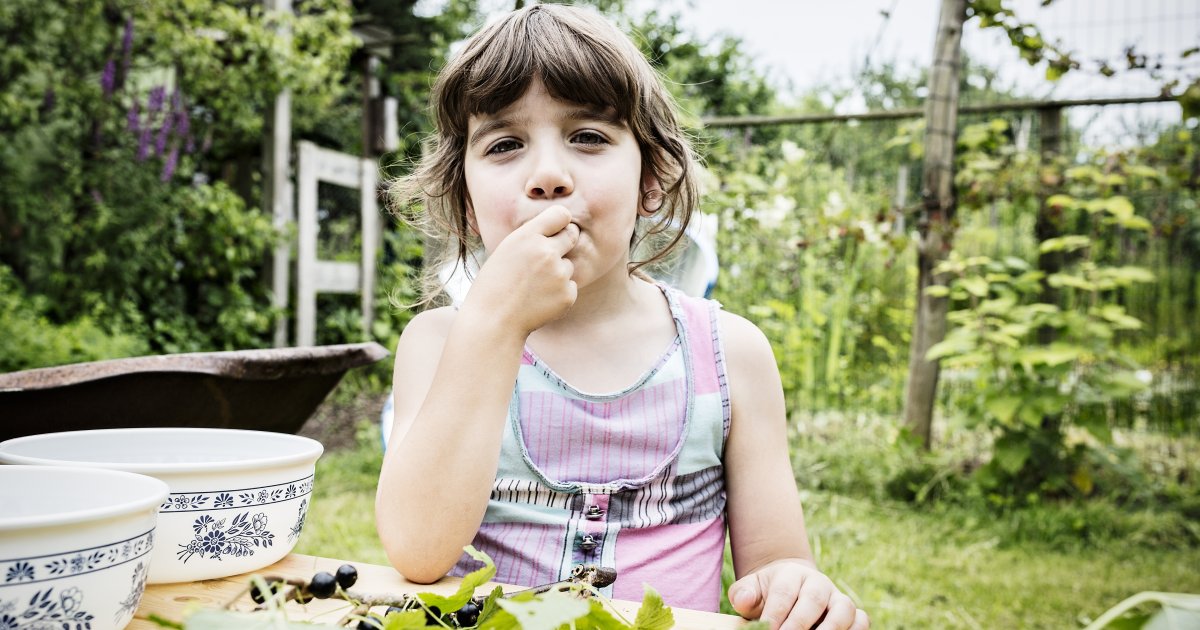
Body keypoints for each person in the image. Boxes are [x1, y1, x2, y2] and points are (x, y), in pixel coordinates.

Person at [375, 5, 869, 629]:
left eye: (588, 137)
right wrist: (493, 324)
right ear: (467, 203)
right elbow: (417, 552)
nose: (548, 176)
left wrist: (795, 587)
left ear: (651, 181)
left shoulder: (730, 354)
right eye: (504, 145)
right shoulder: (439, 343)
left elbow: (775, 568)